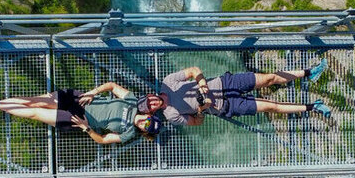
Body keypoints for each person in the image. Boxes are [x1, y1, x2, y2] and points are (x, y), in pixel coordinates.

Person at [138, 58, 331, 126]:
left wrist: (203, 86)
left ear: (150, 96)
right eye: (151, 108)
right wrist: (201, 109)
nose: (153, 104)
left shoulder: (167, 82)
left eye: (150, 101)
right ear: (153, 112)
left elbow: (193, 71)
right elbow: (197, 122)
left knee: (268, 79)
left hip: (225, 83)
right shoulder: (171, 115)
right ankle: (313, 107)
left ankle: (309, 73)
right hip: (226, 106)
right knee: (270, 107)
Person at [0, 81, 163, 145]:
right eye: (148, 121)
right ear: (149, 116)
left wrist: (86, 129)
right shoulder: (131, 101)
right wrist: (93, 92)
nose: (143, 124)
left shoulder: (128, 133)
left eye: (147, 128)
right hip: (79, 99)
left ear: (145, 131)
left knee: (34, 113)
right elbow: (112, 86)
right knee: (33, 101)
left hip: (78, 119)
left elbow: (104, 140)